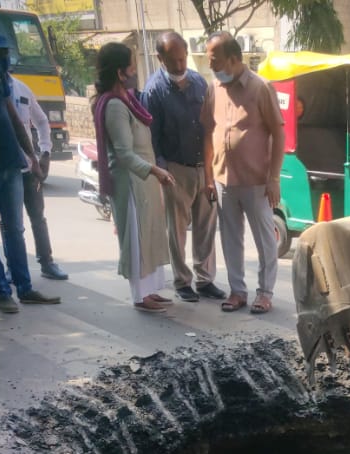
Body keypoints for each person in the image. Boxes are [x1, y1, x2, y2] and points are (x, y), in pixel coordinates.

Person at [202, 32, 284, 314]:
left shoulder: (261, 88)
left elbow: (278, 132)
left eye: (215, 60)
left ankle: (265, 293)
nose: (211, 66)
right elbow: (209, 131)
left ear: (234, 59)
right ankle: (237, 291)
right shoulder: (214, 88)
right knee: (230, 238)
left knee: (264, 239)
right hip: (224, 178)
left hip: (256, 181)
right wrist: (208, 176)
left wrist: (273, 178)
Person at [142, 31, 224, 303]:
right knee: (177, 230)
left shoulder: (199, 82)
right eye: (173, 61)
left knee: (207, 226)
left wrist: (212, 167)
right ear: (160, 58)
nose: (180, 66)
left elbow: (210, 125)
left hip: (204, 166)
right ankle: (182, 281)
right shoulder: (154, 91)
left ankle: (206, 280)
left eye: (183, 58)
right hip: (175, 169)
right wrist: (162, 172)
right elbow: (151, 137)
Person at [93, 43, 175, 313]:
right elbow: (124, 154)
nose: (134, 70)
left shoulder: (126, 100)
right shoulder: (115, 106)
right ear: (120, 72)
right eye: (131, 65)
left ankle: (151, 290)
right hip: (131, 183)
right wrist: (156, 170)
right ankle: (141, 296)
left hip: (144, 180)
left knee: (150, 235)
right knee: (137, 240)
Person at [0, 34, 60, 314]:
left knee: (15, 230)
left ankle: (25, 288)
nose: (2, 56)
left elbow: (13, 118)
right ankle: (3, 291)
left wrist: (31, 156)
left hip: (12, 162)